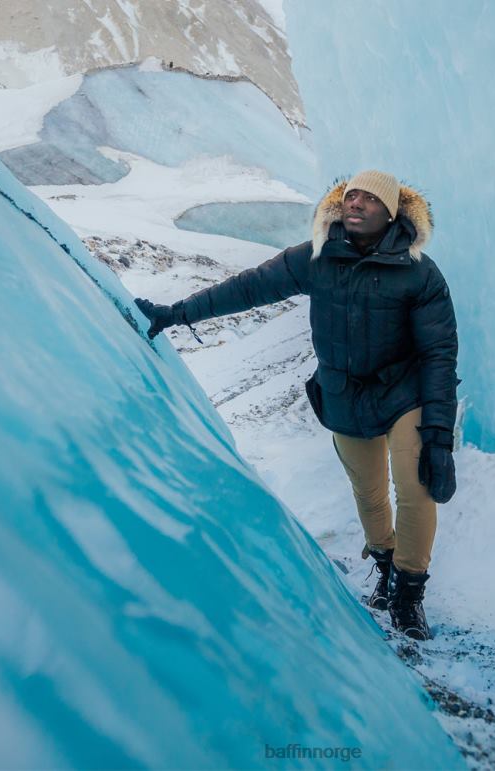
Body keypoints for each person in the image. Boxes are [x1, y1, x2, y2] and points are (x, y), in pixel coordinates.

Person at [135, 170, 459, 640]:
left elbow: (439, 353)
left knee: (415, 487)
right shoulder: (315, 259)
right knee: (369, 493)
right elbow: (246, 289)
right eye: (351, 196)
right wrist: (175, 314)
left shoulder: (419, 272)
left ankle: (409, 595)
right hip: (344, 393)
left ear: (390, 213)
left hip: (402, 392)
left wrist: (439, 437)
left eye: (369, 199)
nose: (356, 203)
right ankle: (385, 568)